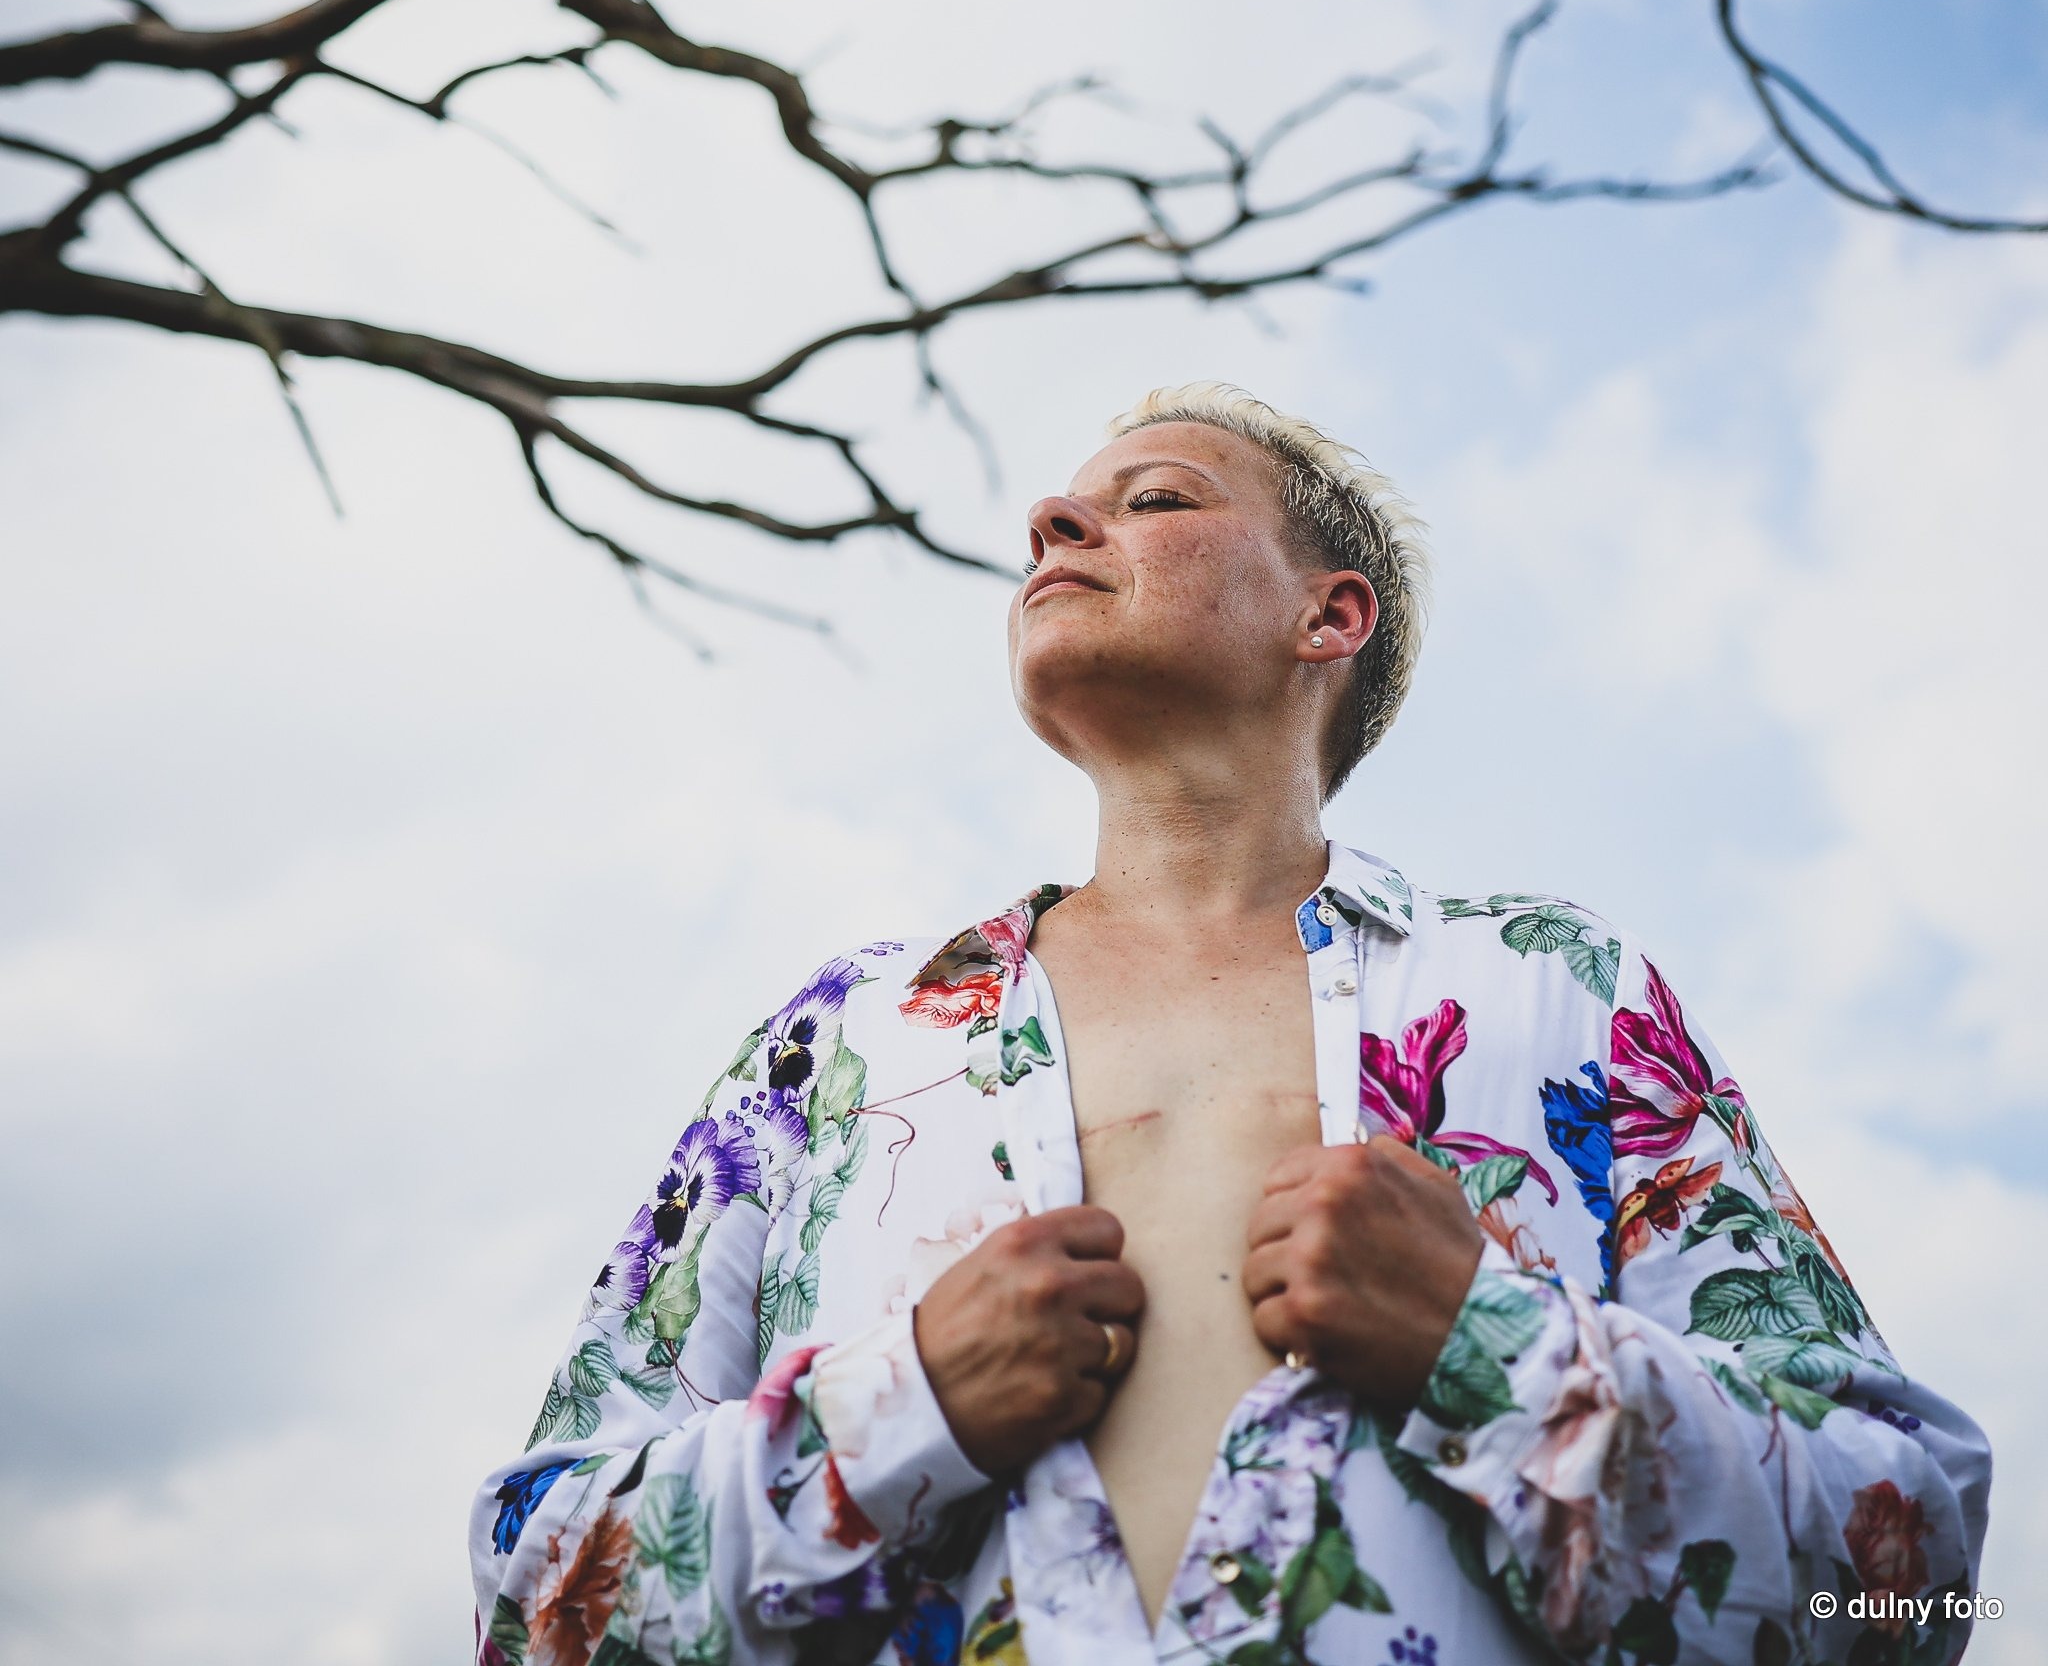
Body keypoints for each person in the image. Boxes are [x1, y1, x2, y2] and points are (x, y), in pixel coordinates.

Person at [471, 383, 1990, 1666]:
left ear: (1330, 615)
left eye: (1152, 500)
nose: (1052, 525)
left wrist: (1493, 1353)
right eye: (1059, 513)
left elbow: (1909, 1585)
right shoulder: (838, 1046)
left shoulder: (1558, 994)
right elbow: (530, 1603)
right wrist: (896, 1414)